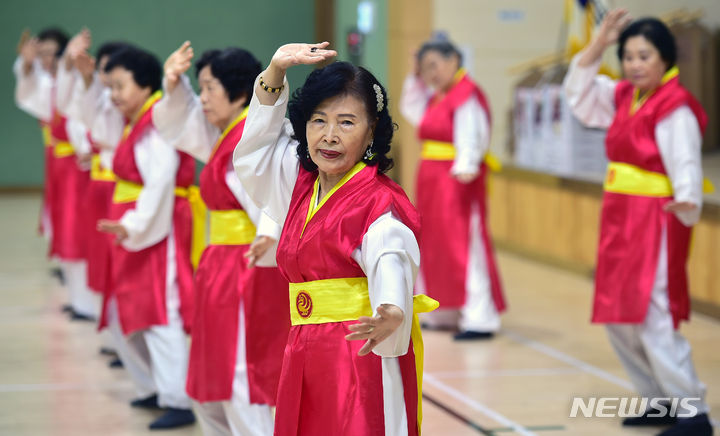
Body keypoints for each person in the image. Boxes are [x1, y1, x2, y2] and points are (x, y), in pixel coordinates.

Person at [233, 41, 438, 436]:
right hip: (302, 346)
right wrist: (275, 69)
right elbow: (255, 154)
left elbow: (389, 255)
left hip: (356, 353)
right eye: (318, 120)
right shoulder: (301, 185)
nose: (329, 135)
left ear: (371, 132)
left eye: (346, 122)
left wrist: (393, 310)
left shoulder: (379, 202)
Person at [563, 9, 712, 436]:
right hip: (620, 217)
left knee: (652, 313)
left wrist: (684, 203)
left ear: (665, 59)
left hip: (655, 220)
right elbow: (578, 93)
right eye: (628, 56)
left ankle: (692, 412)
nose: (634, 64)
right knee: (619, 314)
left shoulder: (674, 105)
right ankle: (658, 400)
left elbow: (684, 163)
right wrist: (600, 41)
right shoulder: (623, 96)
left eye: (644, 55)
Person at [153, 41, 290, 436]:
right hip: (222, 265)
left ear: (240, 92)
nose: (203, 99)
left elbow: (273, 196)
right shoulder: (227, 135)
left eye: (210, 88)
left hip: (244, 269)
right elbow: (183, 122)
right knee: (219, 372)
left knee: (239, 371)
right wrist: (173, 84)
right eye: (202, 87)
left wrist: (269, 233)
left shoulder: (249, 141)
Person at [93, 46, 197, 430]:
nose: (115, 94)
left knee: (161, 309)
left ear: (146, 84)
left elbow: (160, 181)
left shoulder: (156, 124)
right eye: (111, 86)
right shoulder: (136, 121)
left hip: (156, 226)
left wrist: (135, 225)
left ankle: (177, 397)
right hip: (135, 225)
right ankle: (156, 386)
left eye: (120, 85)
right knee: (130, 310)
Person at [400, 38, 505, 340]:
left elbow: (471, 136)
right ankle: (445, 311)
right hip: (432, 179)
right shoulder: (438, 96)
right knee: (436, 245)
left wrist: (467, 165)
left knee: (465, 245)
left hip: (455, 180)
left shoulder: (465, 94)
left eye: (434, 65)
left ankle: (479, 316)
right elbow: (412, 108)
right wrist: (414, 74)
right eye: (425, 68)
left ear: (454, 60)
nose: (430, 73)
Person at [14, 27, 97, 321]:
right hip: (59, 165)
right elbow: (30, 92)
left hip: (78, 166)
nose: (47, 59)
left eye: (54, 54)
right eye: (43, 54)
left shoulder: (74, 81)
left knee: (77, 231)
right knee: (63, 228)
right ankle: (79, 300)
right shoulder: (50, 84)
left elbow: (71, 109)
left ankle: (87, 302)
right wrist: (26, 64)